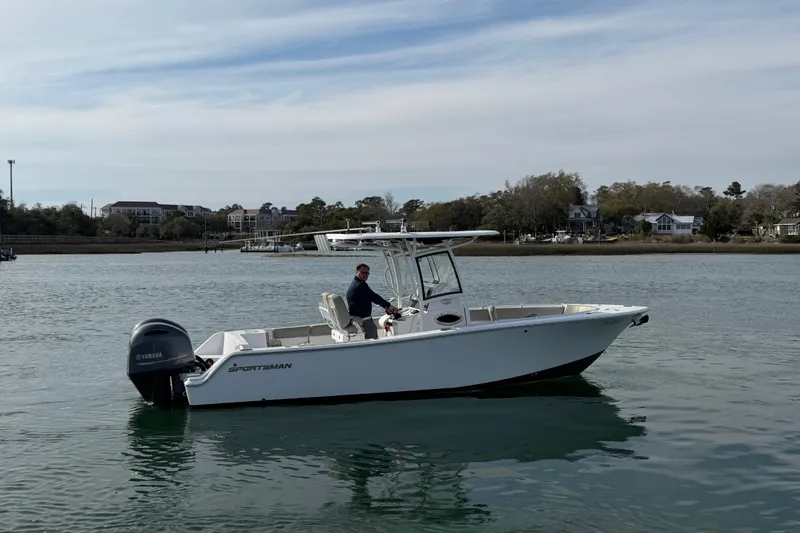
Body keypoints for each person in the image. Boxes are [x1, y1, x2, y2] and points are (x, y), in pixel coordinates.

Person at [346, 263, 398, 339]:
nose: (365, 275)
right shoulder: (360, 285)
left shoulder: (356, 283)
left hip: (356, 316)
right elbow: (373, 297)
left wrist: (386, 306)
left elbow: (372, 296)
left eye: (367, 273)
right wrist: (388, 306)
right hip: (364, 319)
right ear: (357, 272)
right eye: (362, 272)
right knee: (373, 337)